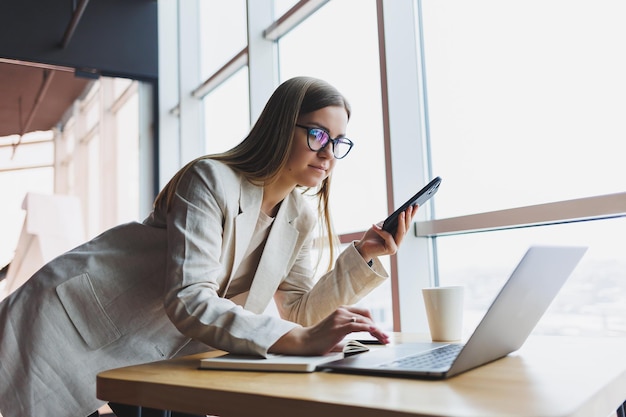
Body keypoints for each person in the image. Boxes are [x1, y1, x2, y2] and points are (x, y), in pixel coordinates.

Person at [0, 76, 416, 417]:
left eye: (338, 141)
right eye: (318, 134)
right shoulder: (210, 180)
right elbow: (189, 297)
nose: (328, 154)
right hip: (70, 321)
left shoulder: (299, 217)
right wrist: (299, 340)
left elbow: (300, 311)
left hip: (141, 350)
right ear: (280, 126)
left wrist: (363, 255)